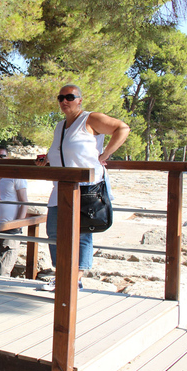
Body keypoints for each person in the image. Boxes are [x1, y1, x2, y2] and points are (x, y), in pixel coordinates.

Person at [34, 85, 129, 290]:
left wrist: (106, 154)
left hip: (86, 188)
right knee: (54, 232)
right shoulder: (60, 126)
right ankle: (62, 276)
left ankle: (73, 279)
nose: (64, 101)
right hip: (61, 187)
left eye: (69, 97)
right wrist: (46, 160)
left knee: (82, 233)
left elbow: (122, 128)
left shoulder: (90, 119)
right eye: (60, 97)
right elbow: (63, 153)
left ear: (79, 100)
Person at [0, 146, 29, 276]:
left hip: (11, 228)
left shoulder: (16, 176)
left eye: (2, 156)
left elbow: (24, 201)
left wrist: (18, 224)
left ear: (8, 158)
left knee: (4, 270)